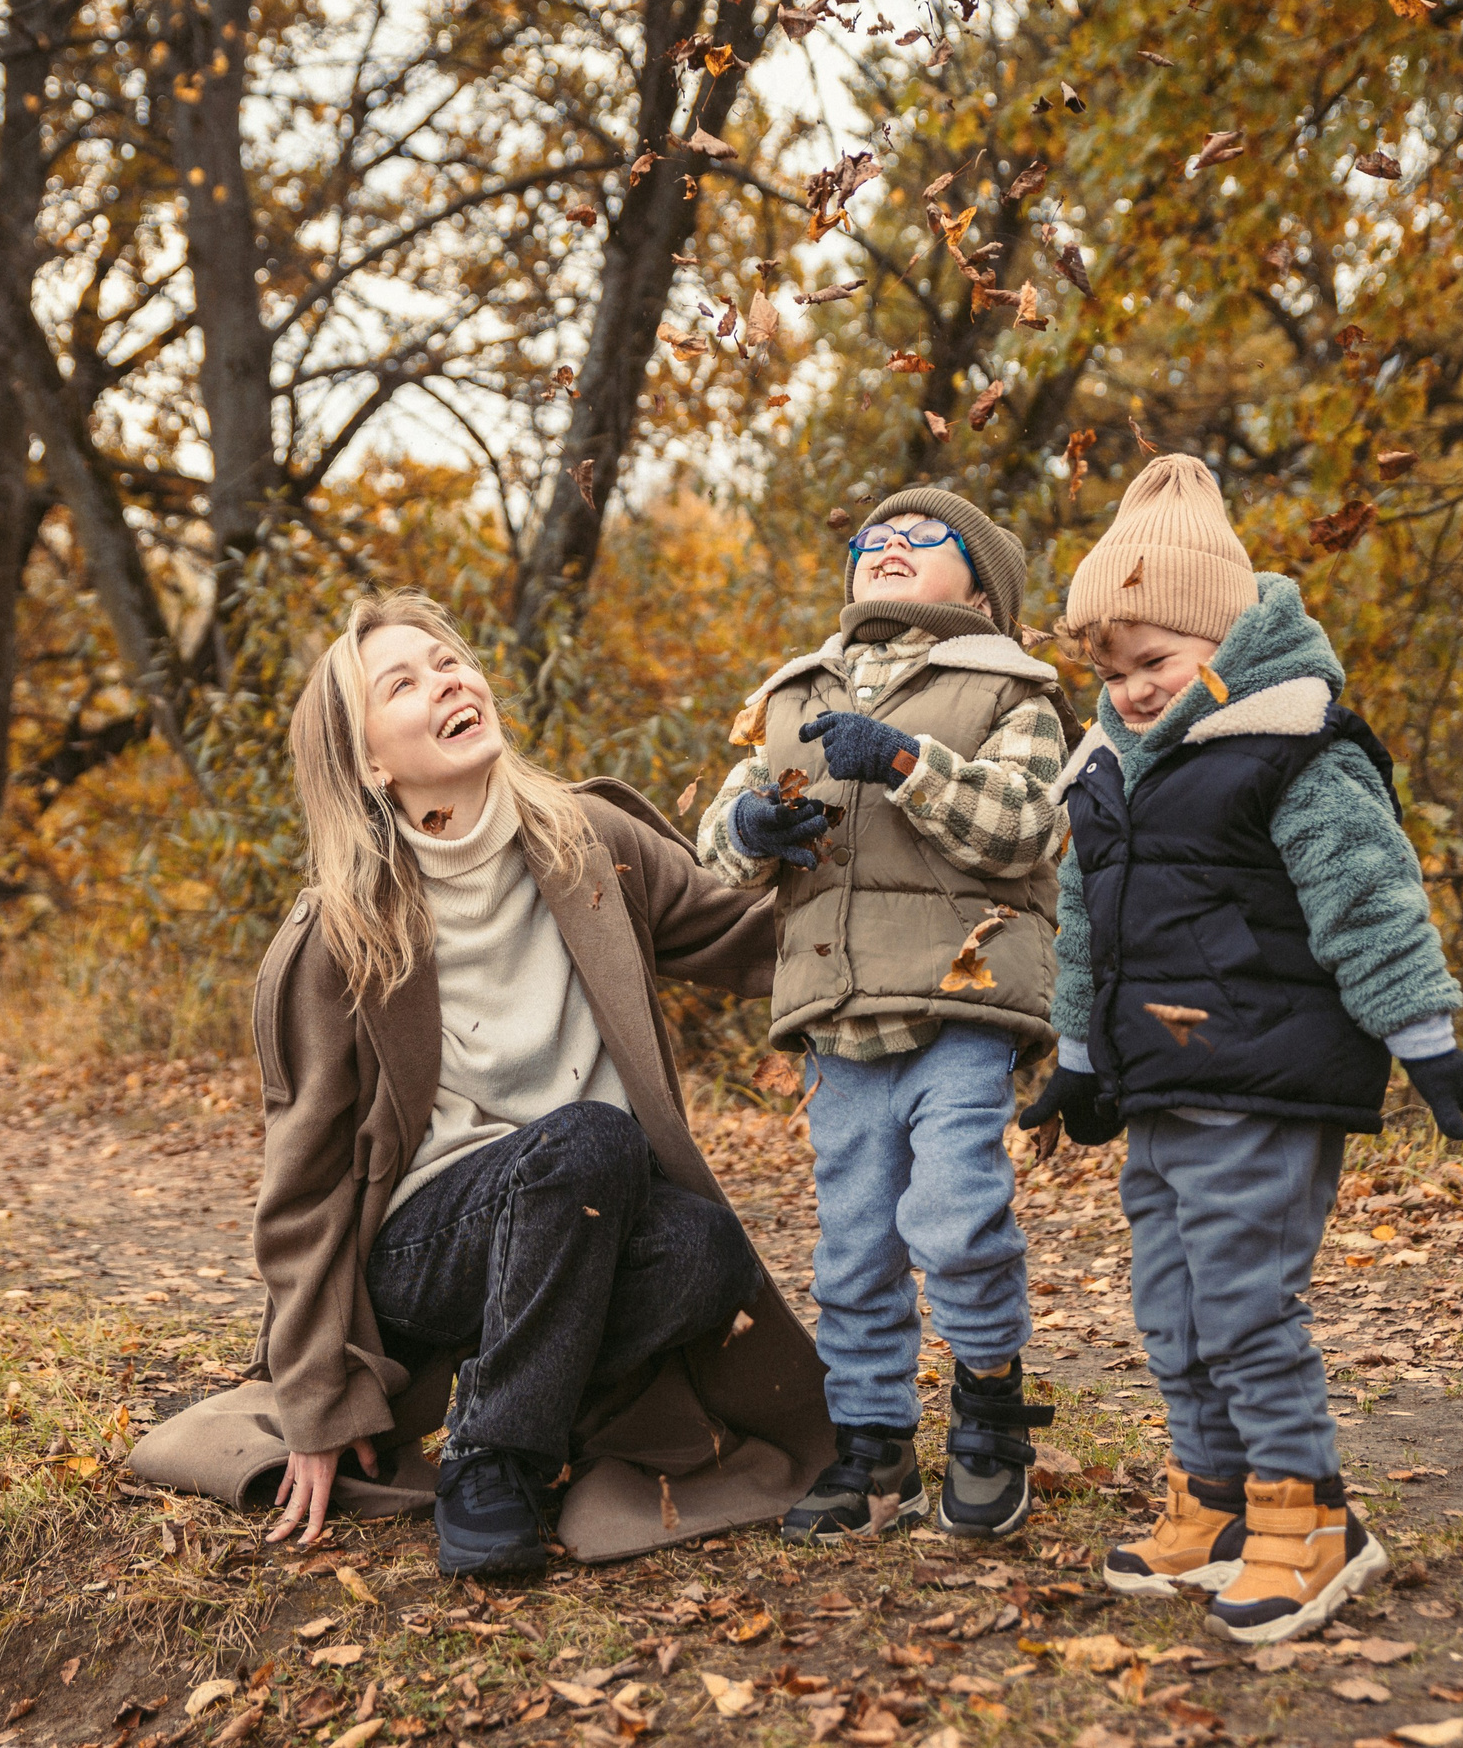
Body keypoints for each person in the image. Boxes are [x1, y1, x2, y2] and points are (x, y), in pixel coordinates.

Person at [125, 591, 833, 1576]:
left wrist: (895, 924)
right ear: (371, 760)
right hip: (431, 1248)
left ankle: (507, 1398)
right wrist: (320, 1400)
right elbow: (304, 1187)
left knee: (705, 1247)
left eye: (450, 659)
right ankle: (490, 1458)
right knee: (588, 1138)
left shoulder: (591, 843)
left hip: (589, 1208)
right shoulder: (337, 934)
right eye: (403, 682)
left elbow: (744, 934)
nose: (448, 678)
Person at [1021, 455, 1463, 1643]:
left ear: (1222, 638)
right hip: (1165, 1085)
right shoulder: (1102, 772)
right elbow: (1086, 927)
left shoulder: (1295, 745)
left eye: (1154, 662)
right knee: (1172, 1303)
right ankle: (1218, 1498)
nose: (1131, 691)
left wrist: (1426, 1041)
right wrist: (1081, 1057)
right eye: (1110, 669)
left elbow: (1368, 896)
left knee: (1244, 1302)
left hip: (1269, 1076)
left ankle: (1312, 1515)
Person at [697, 487, 1078, 1541]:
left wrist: (908, 761)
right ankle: (871, 1450)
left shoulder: (1012, 689)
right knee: (853, 1245)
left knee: (954, 1217)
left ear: (983, 583)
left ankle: (991, 1407)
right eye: (874, 537)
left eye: (924, 538)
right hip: (836, 1009)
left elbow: (1027, 828)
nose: (890, 547)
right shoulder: (791, 694)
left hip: (959, 1003)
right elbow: (712, 856)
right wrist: (753, 822)